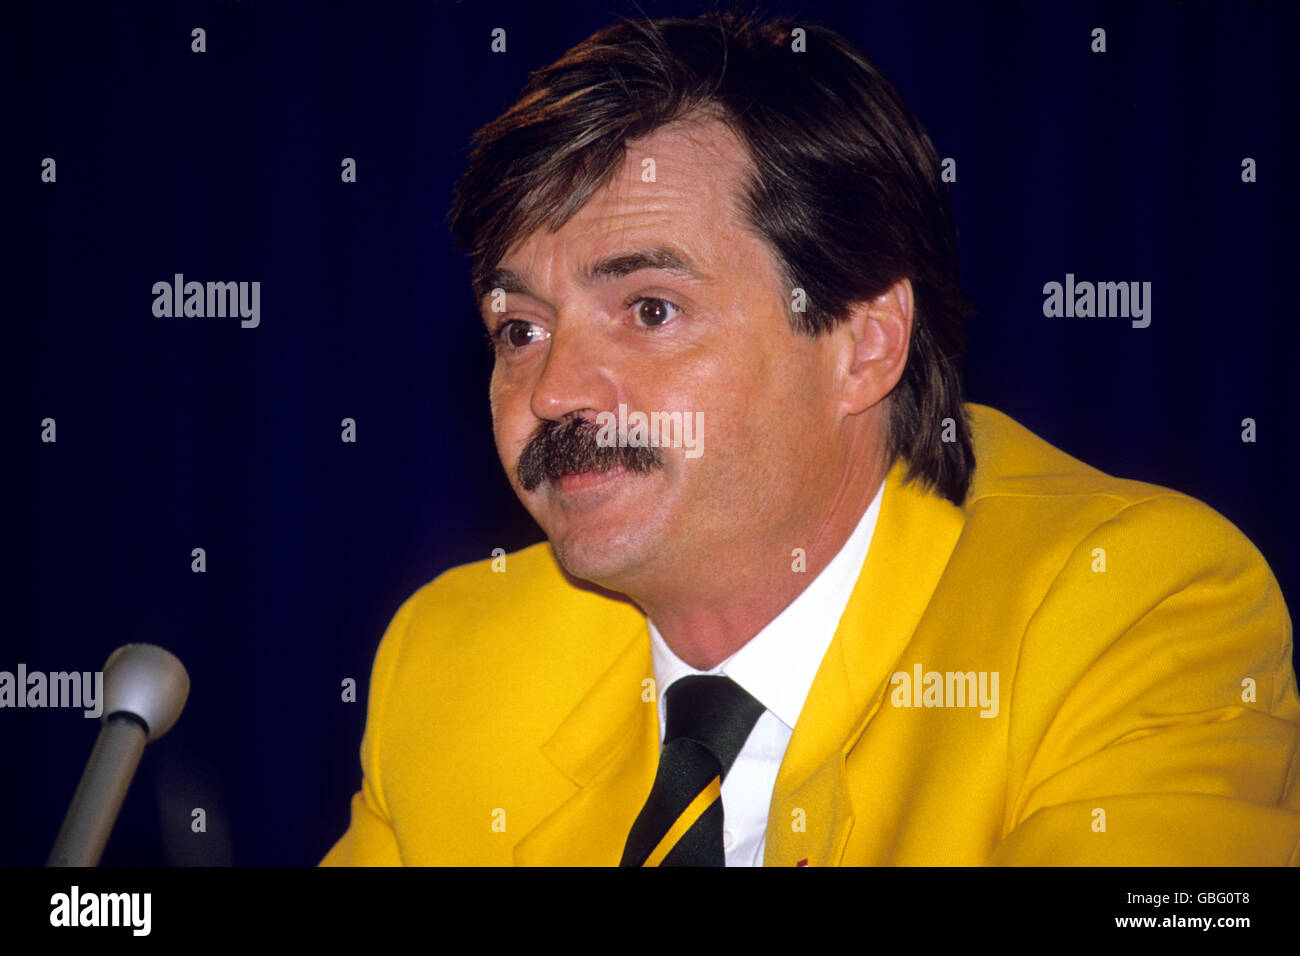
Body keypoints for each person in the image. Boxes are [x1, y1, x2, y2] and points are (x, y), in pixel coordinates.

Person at [321, 11, 1300, 866]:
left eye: (650, 308)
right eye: (520, 330)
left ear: (862, 342)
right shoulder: (458, 662)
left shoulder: (1119, 605)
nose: (554, 392)